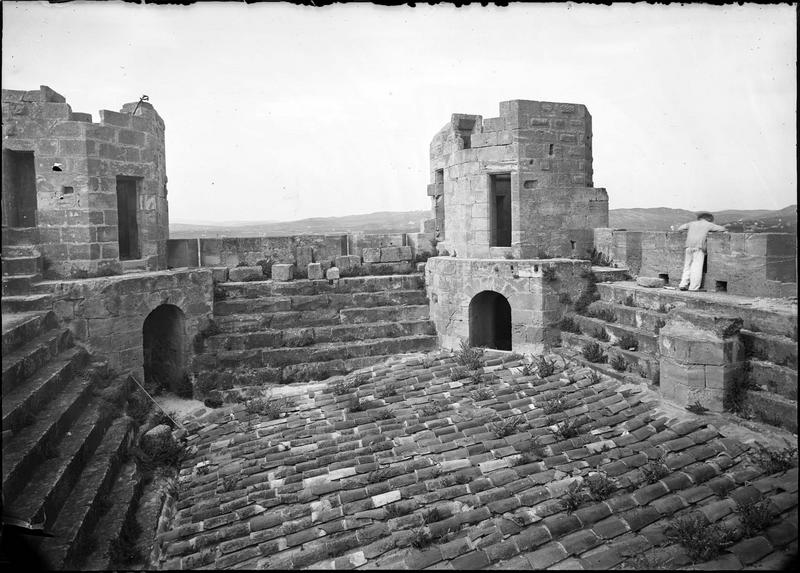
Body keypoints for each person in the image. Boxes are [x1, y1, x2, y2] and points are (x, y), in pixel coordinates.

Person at [677, 212, 728, 291]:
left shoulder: (691, 223)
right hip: (699, 247)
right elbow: (723, 229)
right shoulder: (708, 224)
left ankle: (683, 284)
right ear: (709, 219)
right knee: (696, 267)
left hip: (688, 246)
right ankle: (693, 288)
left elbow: (680, 228)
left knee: (687, 266)